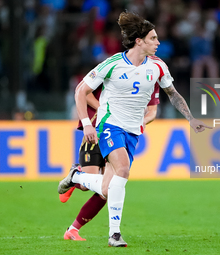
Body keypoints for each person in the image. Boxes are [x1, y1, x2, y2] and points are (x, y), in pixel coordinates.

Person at [58, 11, 211, 247]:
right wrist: (87, 123)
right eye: (153, 38)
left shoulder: (158, 66)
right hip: (109, 124)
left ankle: (76, 176)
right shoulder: (113, 64)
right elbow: (81, 90)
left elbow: (173, 94)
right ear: (139, 41)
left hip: (132, 131)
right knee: (123, 170)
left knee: (109, 188)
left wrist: (190, 118)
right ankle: (114, 234)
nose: (158, 43)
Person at [61, 83, 160, 241]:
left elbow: (152, 112)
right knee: (89, 187)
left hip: (122, 136)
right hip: (96, 132)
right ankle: (77, 177)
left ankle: (73, 229)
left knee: (107, 191)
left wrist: (142, 121)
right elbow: (84, 93)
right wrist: (106, 111)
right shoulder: (114, 70)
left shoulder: (151, 78)